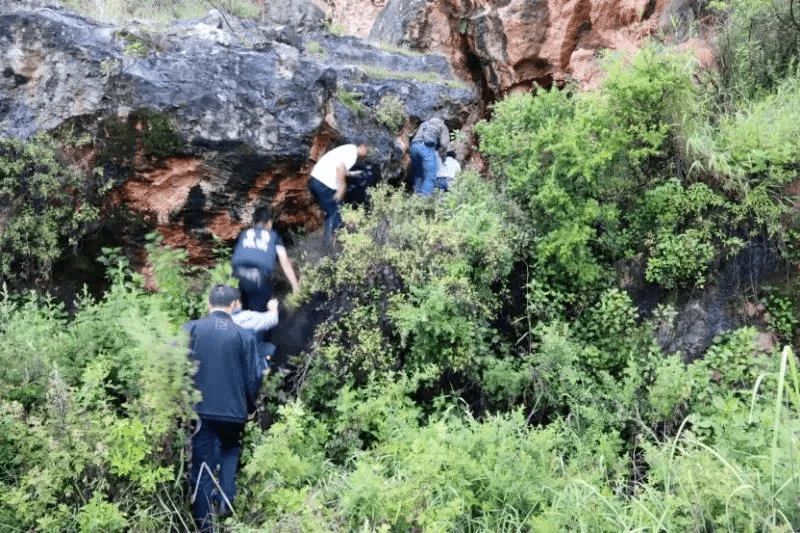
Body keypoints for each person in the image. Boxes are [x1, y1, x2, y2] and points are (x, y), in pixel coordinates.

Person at [184, 285, 263, 532]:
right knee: (230, 450)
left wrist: (181, 403)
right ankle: (226, 502)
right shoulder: (244, 335)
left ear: (209, 305)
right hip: (234, 413)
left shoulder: (192, 329)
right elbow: (253, 377)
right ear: (234, 306)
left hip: (201, 412)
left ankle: (205, 527)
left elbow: (178, 368)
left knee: (203, 467)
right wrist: (250, 408)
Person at [231, 206, 299, 313]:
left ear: (253, 223)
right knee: (260, 315)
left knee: (246, 310)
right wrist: (296, 287)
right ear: (269, 223)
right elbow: (285, 264)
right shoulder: (274, 236)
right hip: (260, 280)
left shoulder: (244, 234)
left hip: (241, 277)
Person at [308, 143, 369, 240]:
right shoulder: (353, 153)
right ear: (362, 147)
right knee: (334, 213)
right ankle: (329, 247)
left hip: (316, 180)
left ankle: (335, 238)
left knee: (334, 211)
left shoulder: (348, 149)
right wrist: (342, 187)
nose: (366, 155)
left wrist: (354, 174)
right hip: (323, 183)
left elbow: (341, 167)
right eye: (367, 152)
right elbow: (340, 167)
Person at [409, 117, 450, 196]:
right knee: (430, 175)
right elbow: (444, 144)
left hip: (413, 147)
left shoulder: (423, 124)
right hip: (426, 147)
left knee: (418, 173)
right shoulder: (442, 125)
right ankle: (425, 200)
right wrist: (443, 158)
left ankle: (416, 195)